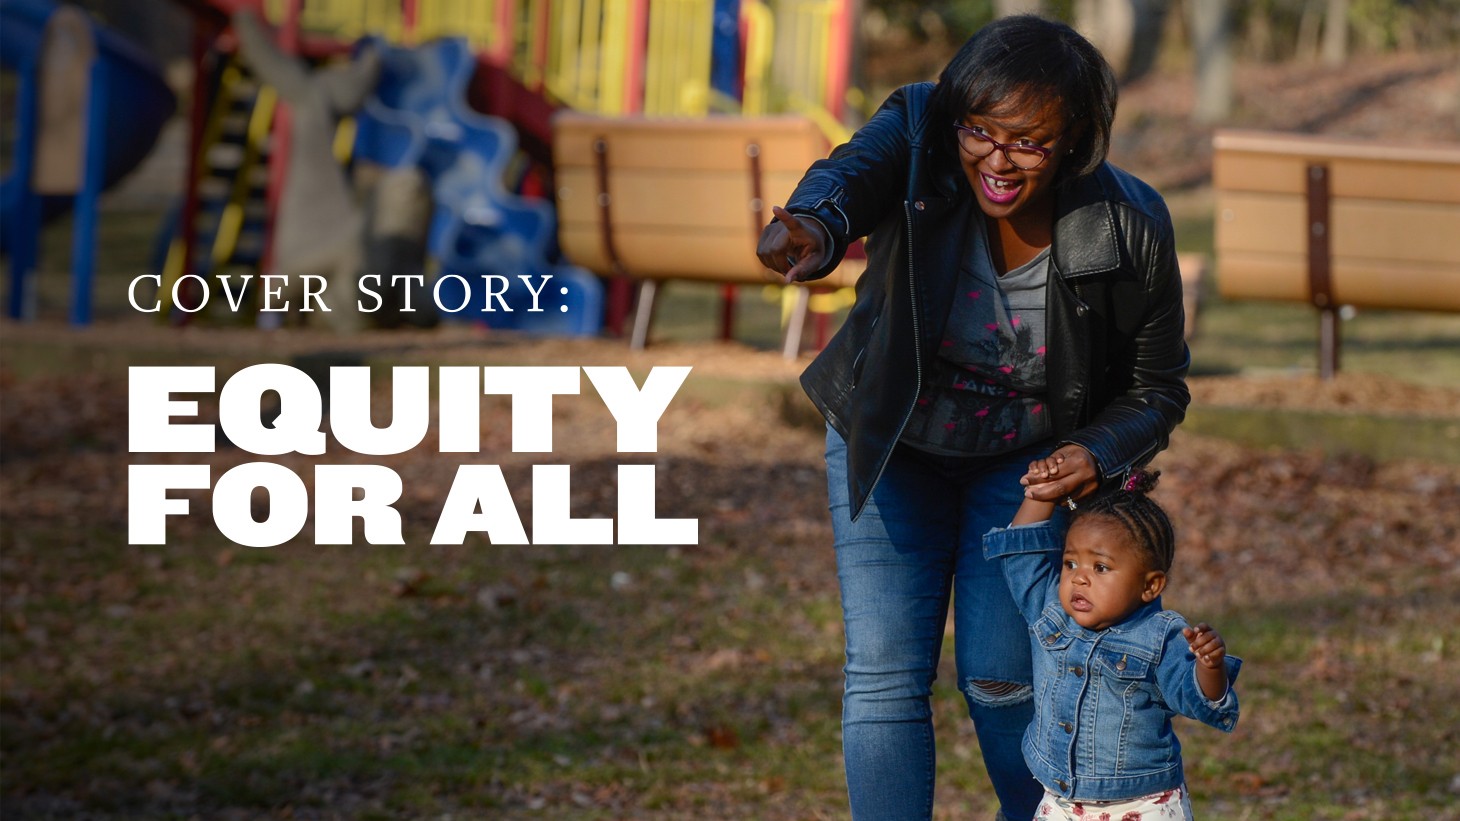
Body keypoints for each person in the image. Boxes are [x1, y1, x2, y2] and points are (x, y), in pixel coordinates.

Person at [755, 14, 1191, 821]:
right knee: (884, 674)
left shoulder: (1129, 226)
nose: (996, 158)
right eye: (980, 131)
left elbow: (1159, 386)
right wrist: (816, 224)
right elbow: (850, 176)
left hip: (1020, 470)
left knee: (1003, 678)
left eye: (1027, 141)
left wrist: (1095, 450)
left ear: (1073, 143)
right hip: (890, 444)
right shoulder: (922, 127)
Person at [983, 466, 1240, 820]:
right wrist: (1040, 493)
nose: (1080, 578)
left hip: (1141, 805)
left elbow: (1198, 698)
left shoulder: (1161, 637)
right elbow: (1021, 554)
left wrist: (1209, 666)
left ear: (1150, 586)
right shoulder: (1050, 610)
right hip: (1059, 803)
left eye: (1100, 568)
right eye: (1070, 563)